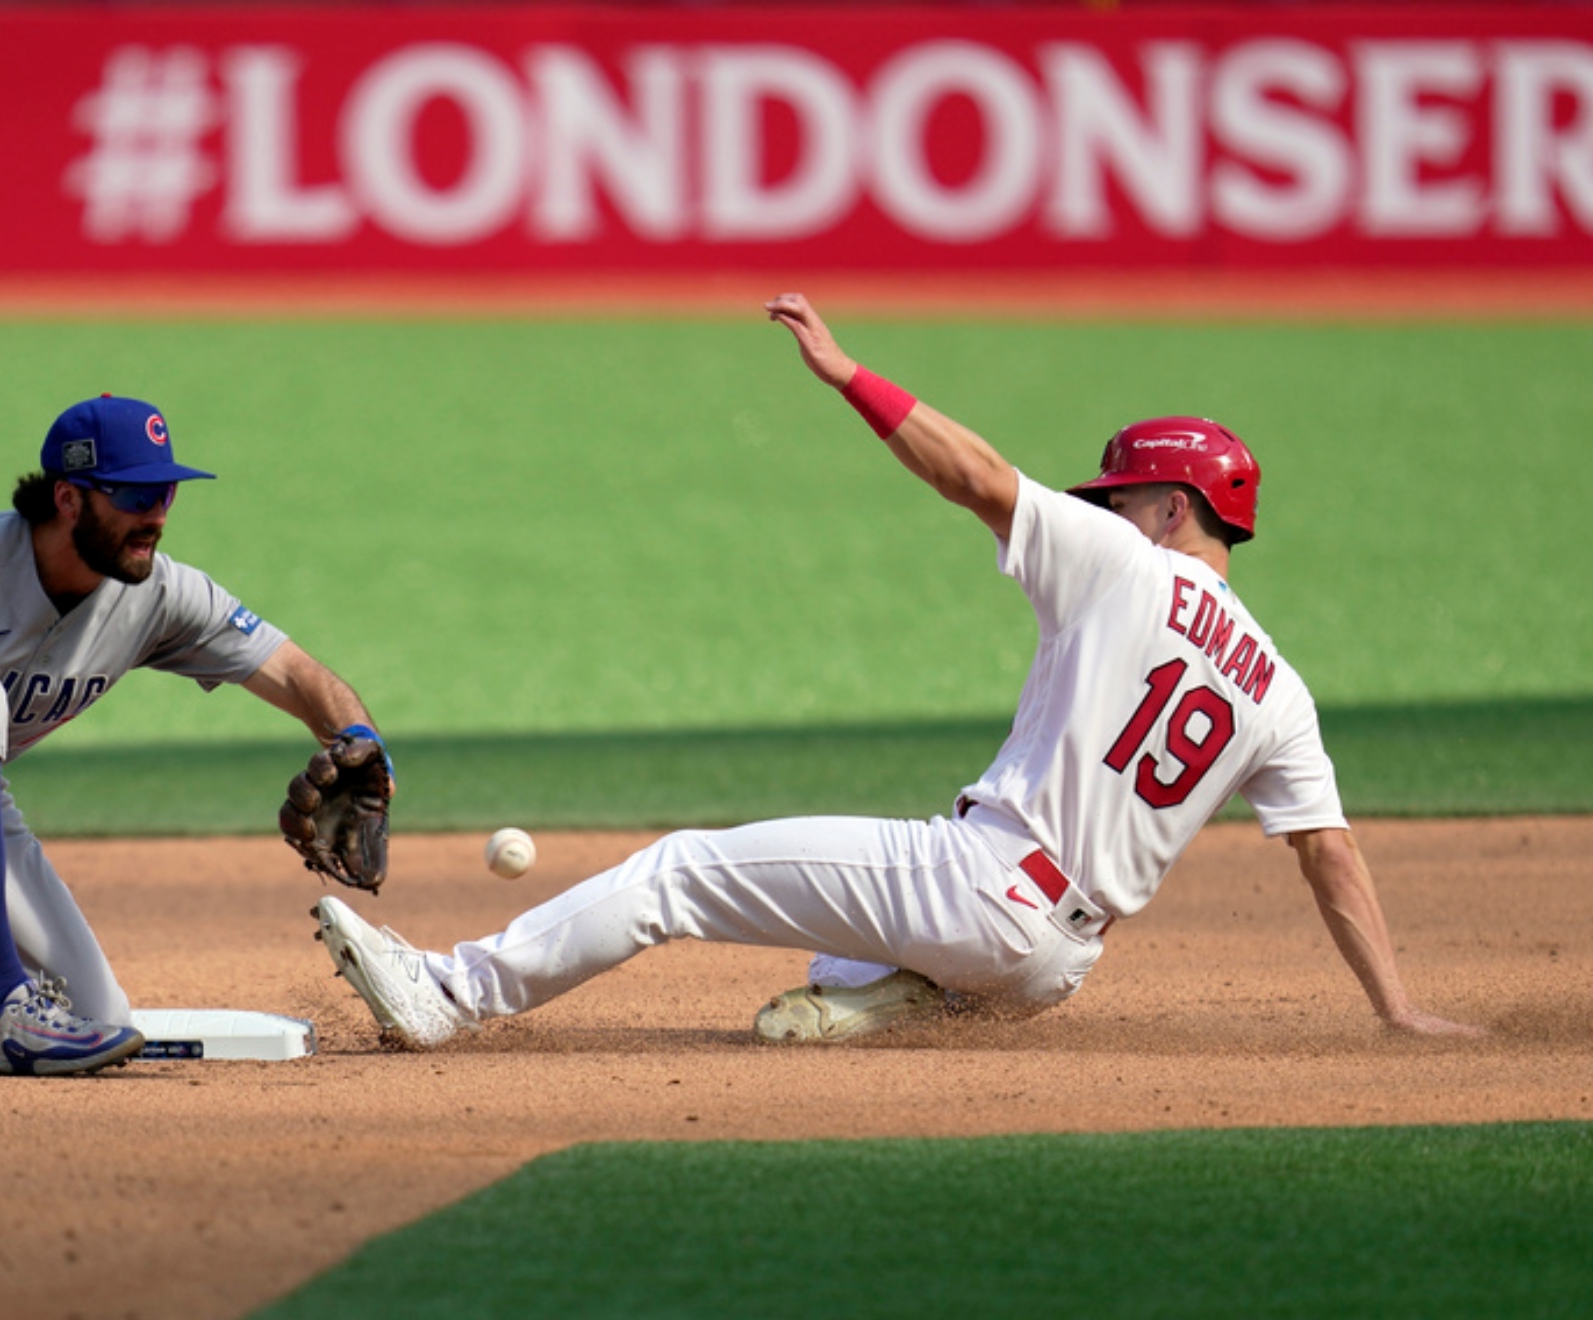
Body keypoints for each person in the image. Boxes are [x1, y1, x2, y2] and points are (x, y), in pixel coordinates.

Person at [313, 293, 1481, 1050]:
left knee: (682, 870)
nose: (1101, 507)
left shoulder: (1127, 563)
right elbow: (1330, 854)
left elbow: (976, 475)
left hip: (981, 889)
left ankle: (451, 992)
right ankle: (892, 991)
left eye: (1120, 494)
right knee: (852, 938)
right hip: (1057, 963)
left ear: (1171, 507)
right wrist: (1396, 1008)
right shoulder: (1278, 687)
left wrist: (850, 378)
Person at [0, 394, 388, 1076]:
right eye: (136, 493)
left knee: (98, 1018)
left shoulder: (159, 595)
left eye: (166, 490)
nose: (157, 515)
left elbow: (295, 672)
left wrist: (366, 750)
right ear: (68, 498)